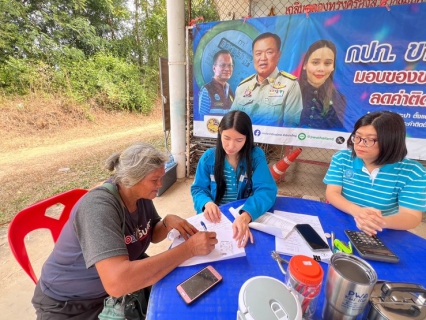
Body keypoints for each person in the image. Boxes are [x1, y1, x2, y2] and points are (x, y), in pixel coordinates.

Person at [31, 142, 218, 320]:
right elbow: (117, 283)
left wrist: (168, 223)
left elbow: (149, 233)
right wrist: (189, 249)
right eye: (155, 180)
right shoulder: (98, 207)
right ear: (132, 179)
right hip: (69, 304)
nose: (160, 185)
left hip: (108, 293)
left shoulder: (140, 196)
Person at [324, 111, 426, 236]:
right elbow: (332, 192)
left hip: (381, 230)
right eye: (357, 137)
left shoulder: (412, 172)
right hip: (342, 218)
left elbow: (411, 216)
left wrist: (379, 222)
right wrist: (358, 212)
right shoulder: (342, 158)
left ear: (391, 142)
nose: (360, 144)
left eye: (370, 140)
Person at [191, 110, 278, 248]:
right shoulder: (208, 158)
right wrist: (206, 203)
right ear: (220, 132)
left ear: (247, 138)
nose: (231, 146)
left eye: (239, 140)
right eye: (226, 138)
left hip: (245, 213)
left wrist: (246, 215)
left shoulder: (256, 156)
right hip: (216, 217)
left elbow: (266, 190)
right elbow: (198, 189)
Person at [231, 32, 302, 127]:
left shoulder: (290, 85)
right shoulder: (243, 87)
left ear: (278, 55)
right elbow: (232, 122)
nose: (263, 58)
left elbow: (290, 127)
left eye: (269, 52)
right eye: (258, 53)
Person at [299, 40, 346, 130]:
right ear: (305, 65)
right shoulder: (291, 91)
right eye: (315, 62)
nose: (321, 69)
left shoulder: (338, 98)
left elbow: (337, 133)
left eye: (327, 63)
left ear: (333, 67)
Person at [198, 49, 235, 116]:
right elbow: (202, 121)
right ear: (214, 68)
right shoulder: (207, 90)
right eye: (223, 65)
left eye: (230, 65)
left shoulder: (230, 91)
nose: (227, 69)